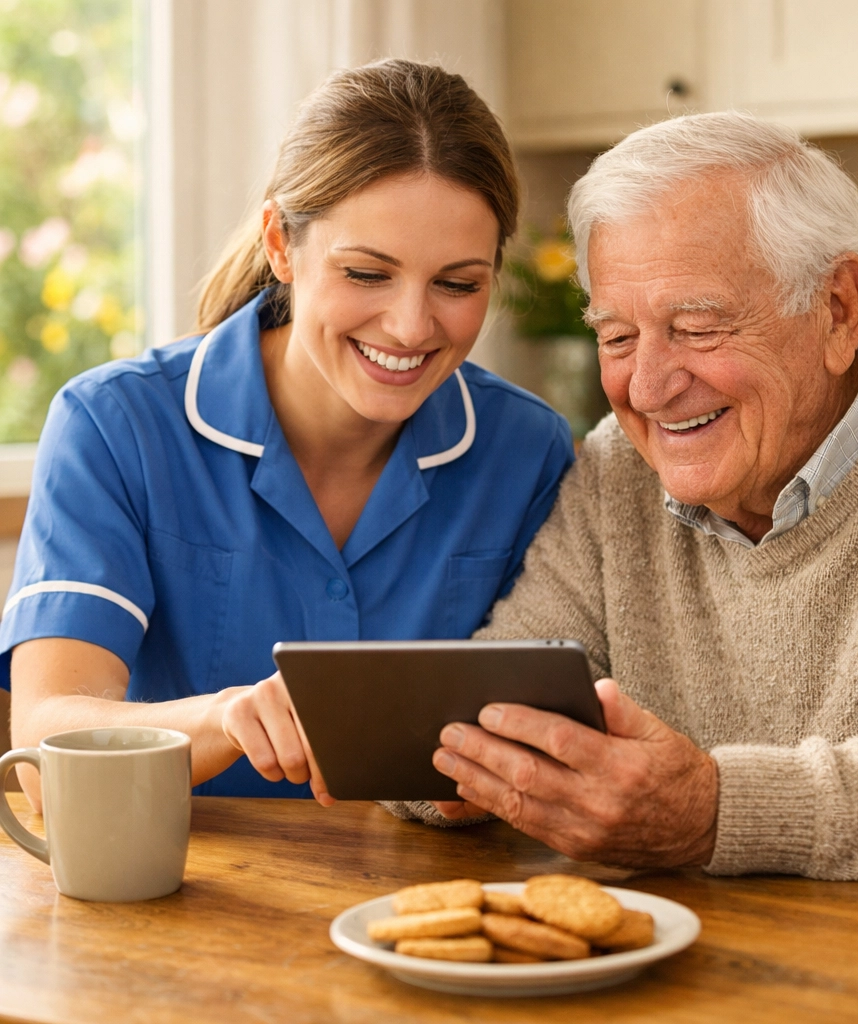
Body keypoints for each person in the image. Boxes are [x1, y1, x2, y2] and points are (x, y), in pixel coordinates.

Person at [410, 111, 858, 880]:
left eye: (697, 328)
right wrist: (453, 766)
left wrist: (719, 812)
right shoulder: (617, 469)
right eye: (617, 337)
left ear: (838, 307)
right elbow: (506, 681)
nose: (647, 387)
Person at [3, 60, 573, 806]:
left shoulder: (529, 451)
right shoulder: (114, 426)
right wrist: (221, 720)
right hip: (186, 901)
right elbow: (44, 755)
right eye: (367, 273)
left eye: (458, 284)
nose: (410, 326)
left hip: (419, 898)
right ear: (280, 243)